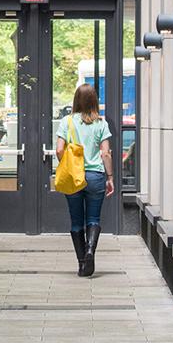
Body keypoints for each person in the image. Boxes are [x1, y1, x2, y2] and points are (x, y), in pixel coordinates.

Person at [56, 84, 114, 277]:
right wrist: (110, 177)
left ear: (76, 100)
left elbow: (59, 150)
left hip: (75, 177)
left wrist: (67, 166)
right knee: (93, 219)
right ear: (94, 101)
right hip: (96, 176)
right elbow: (105, 154)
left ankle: (82, 263)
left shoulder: (67, 121)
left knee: (76, 221)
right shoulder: (101, 123)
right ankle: (90, 249)